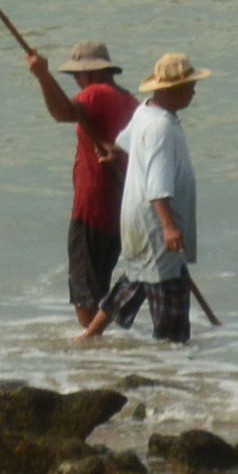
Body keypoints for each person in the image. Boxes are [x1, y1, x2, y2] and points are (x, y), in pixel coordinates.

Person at [81, 51, 214, 344]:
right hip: (155, 225)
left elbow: (123, 142)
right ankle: (171, 364)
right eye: (190, 85)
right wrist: (169, 226)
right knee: (171, 304)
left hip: (139, 222)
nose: (193, 90)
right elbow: (158, 185)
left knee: (135, 279)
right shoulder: (161, 126)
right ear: (171, 89)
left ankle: (89, 337)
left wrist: (113, 152)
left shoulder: (146, 112)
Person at [24, 40, 138, 329]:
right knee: (99, 283)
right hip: (119, 207)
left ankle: (91, 350)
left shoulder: (96, 93)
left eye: (77, 75)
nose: (76, 81)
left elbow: (62, 112)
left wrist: (43, 76)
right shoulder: (129, 100)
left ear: (89, 74)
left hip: (93, 206)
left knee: (85, 290)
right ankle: (101, 348)